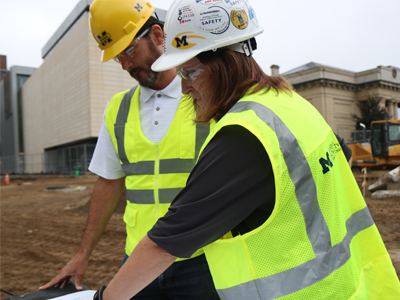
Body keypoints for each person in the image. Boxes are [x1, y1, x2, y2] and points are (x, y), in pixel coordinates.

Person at [86, 0, 400, 299]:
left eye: (191, 72)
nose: (184, 88)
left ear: (227, 62)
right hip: (357, 284)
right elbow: (338, 159)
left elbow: (165, 245)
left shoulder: (243, 135)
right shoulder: (291, 104)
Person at [39, 0, 220, 299]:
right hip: (138, 260)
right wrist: (82, 254)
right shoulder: (117, 110)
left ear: (159, 36)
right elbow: (108, 183)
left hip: (202, 261)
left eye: (129, 50)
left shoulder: (207, 97)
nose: (125, 65)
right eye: (117, 57)